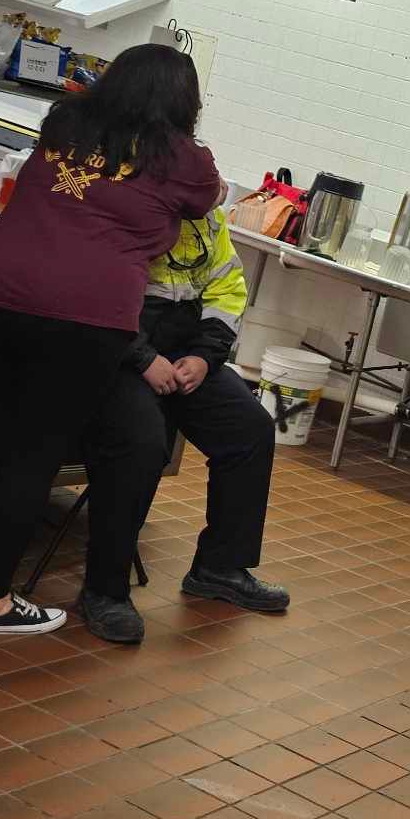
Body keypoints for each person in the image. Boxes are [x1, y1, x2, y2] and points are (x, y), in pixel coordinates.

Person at [0, 45, 221, 637]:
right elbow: (207, 201)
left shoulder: (65, 120)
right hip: (83, 315)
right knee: (31, 455)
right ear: (186, 102)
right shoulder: (183, 157)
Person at [77, 206, 288, 645]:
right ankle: (104, 590)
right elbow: (91, 290)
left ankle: (220, 566)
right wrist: (142, 358)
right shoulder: (124, 200)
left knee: (250, 428)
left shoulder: (207, 216)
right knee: (142, 444)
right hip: (119, 352)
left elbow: (227, 289)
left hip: (185, 352)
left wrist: (204, 357)